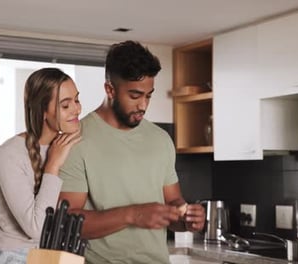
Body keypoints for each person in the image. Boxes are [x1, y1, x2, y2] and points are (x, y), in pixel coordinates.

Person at [58, 41, 206, 264]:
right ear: (110, 89)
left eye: (148, 95)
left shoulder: (160, 140)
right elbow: (67, 222)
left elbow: (173, 201)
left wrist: (186, 219)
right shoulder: (77, 140)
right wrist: (133, 214)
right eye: (135, 96)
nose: (143, 105)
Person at [0, 68, 82, 264]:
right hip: (12, 258)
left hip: (53, 257)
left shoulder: (71, 147)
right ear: (43, 110)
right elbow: (36, 228)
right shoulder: (9, 154)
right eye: (65, 105)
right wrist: (52, 165)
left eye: (76, 100)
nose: (77, 109)